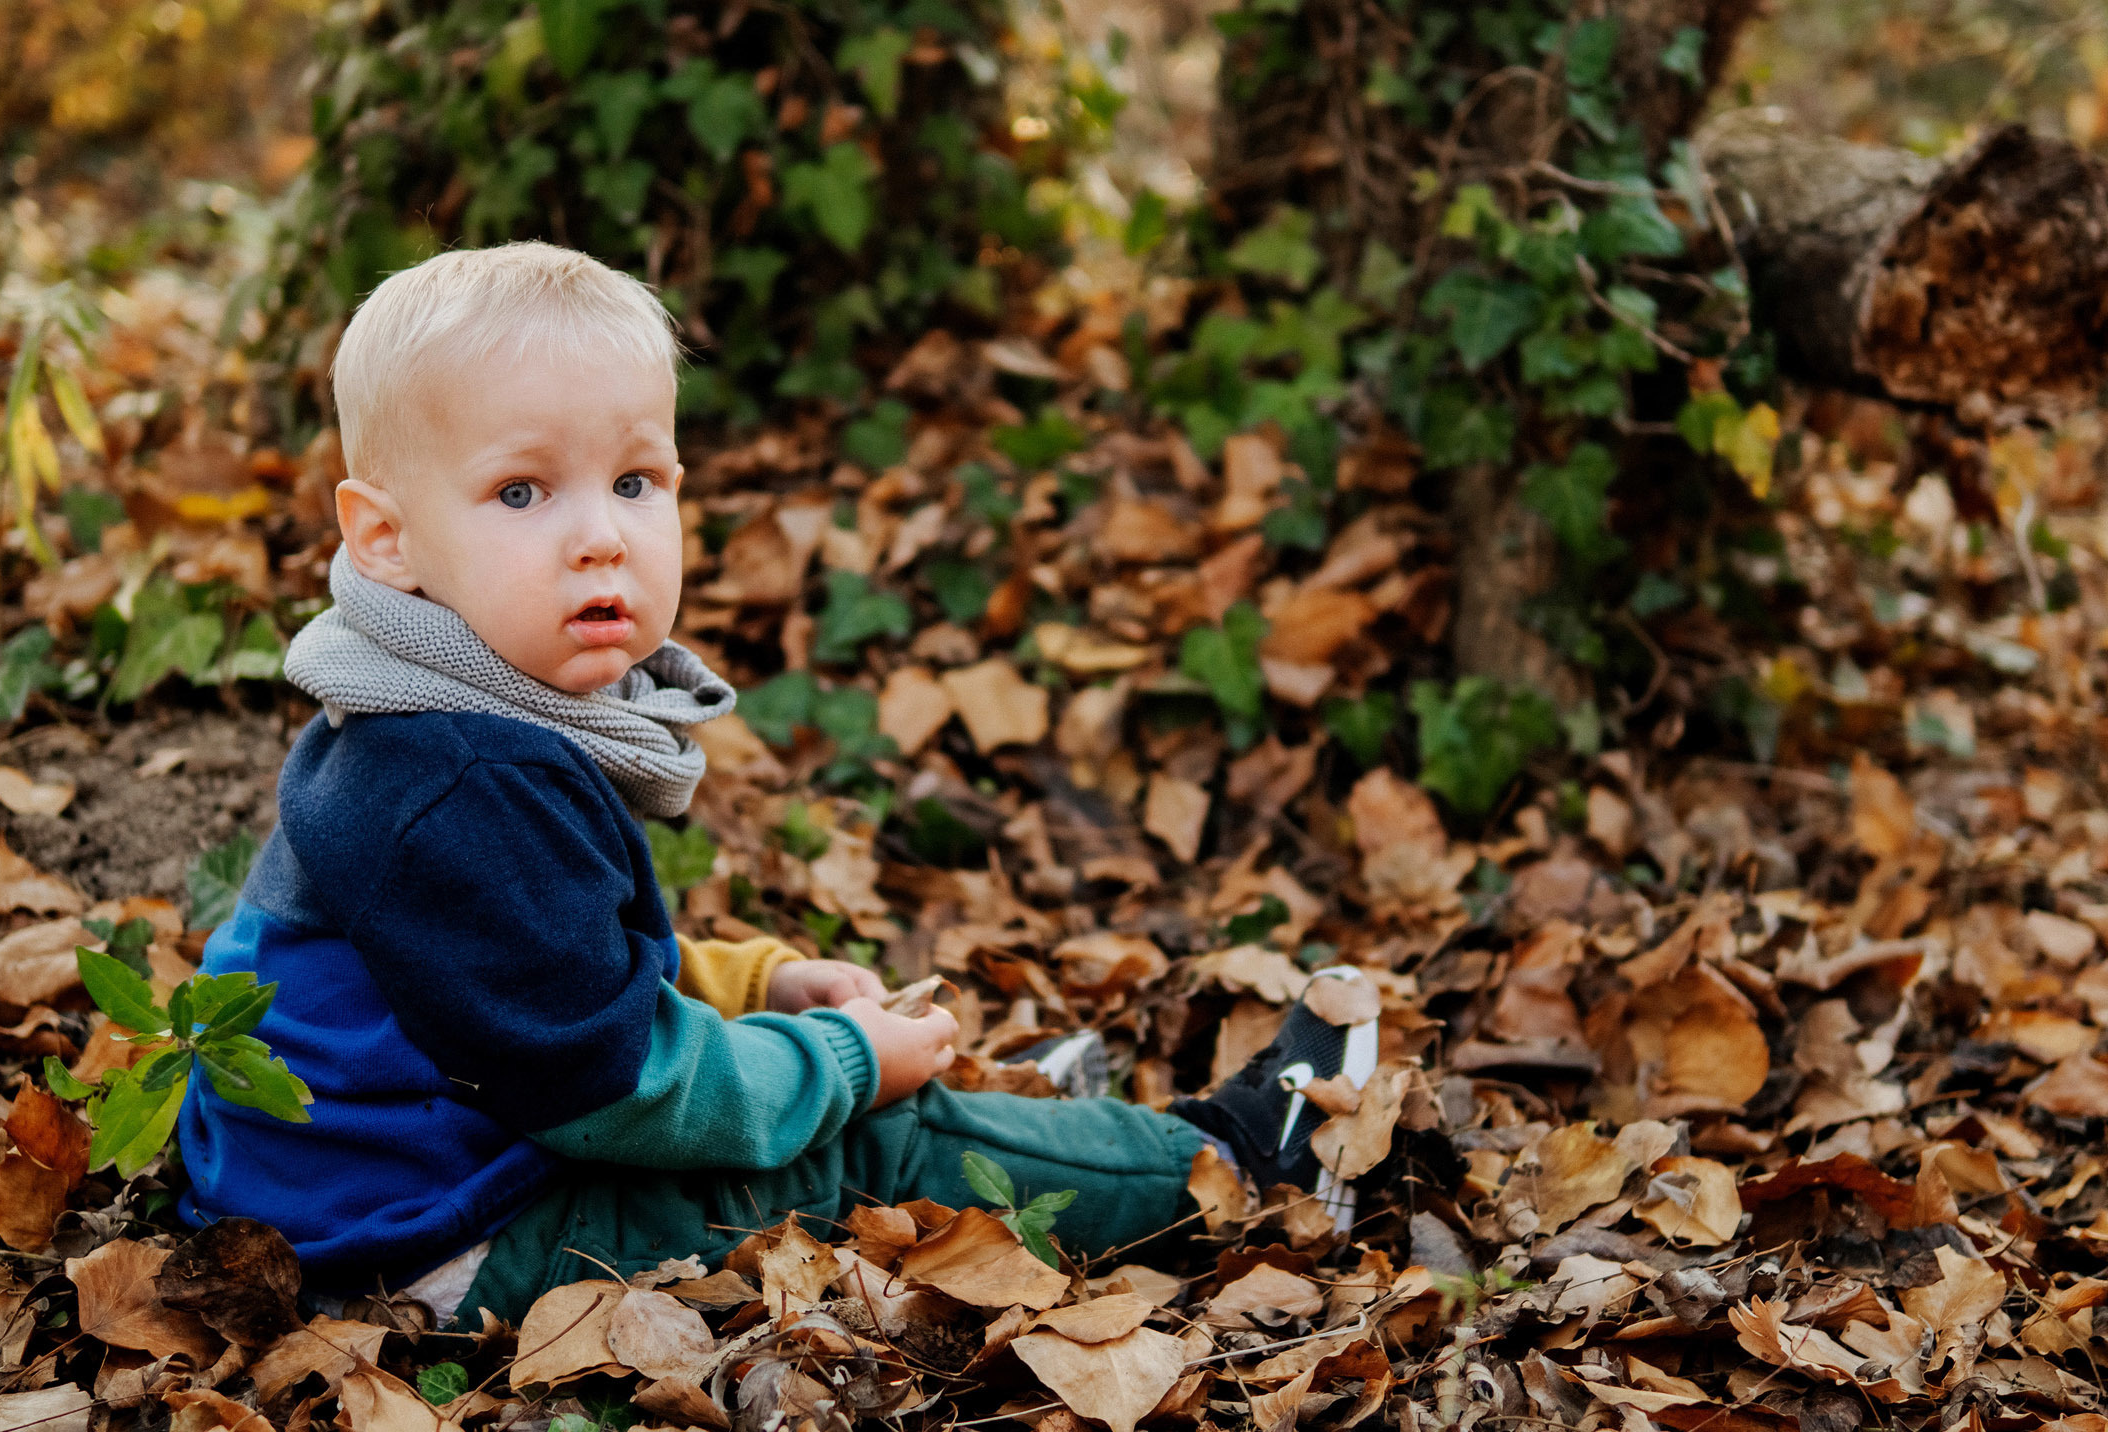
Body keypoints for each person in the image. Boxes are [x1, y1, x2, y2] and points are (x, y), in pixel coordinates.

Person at [175, 241, 1354, 1327]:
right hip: (438, 1240)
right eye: (523, 492)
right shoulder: (459, 779)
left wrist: (765, 982)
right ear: (385, 539)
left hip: (367, 1188)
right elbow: (609, 1084)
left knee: (837, 1082)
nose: (602, 537)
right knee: (864, 1152)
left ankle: (1035, 1135)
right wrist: (840, 1064)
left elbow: (545, 971)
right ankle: (1242, 1163)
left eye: (637, 481)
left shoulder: (425, 722)